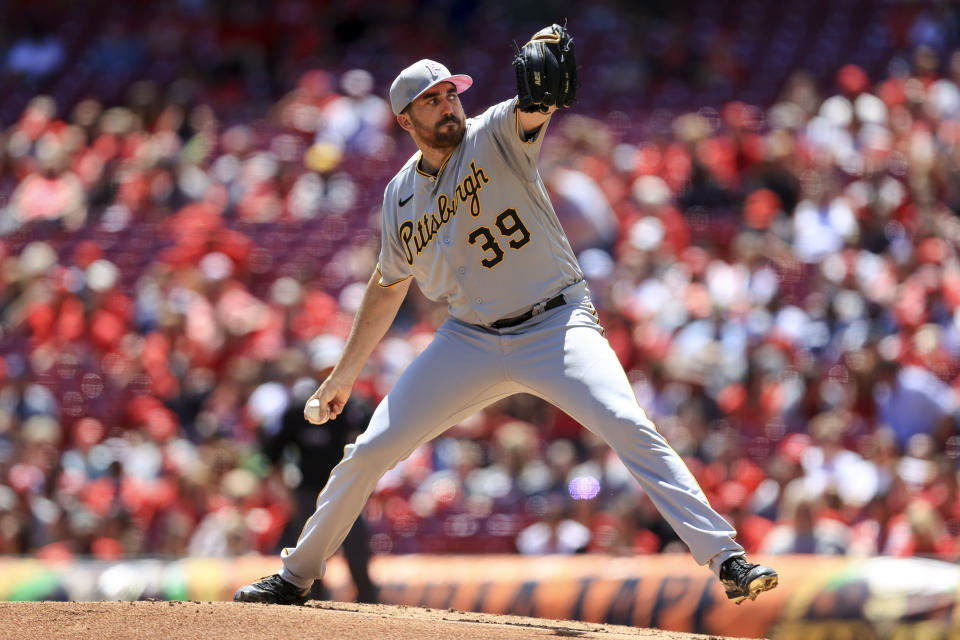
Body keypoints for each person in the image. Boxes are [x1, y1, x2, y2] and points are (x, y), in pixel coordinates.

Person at [235, 26, 778, 607]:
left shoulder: (493, 131)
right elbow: (388, 283)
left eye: (451, 94)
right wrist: (343, 374)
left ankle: (728, 559)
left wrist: (546, 53)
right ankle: (295, 576)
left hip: (556, 323)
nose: (448, 105)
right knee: (367, 451)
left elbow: (533, 107)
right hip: (468, 339)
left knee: (627, 422)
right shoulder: (397, 197)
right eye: (432, 100)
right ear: (405, 120)